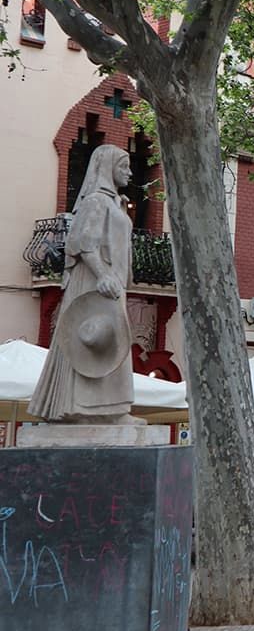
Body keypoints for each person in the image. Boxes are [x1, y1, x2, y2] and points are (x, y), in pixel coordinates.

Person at [29, 145, 138, 423]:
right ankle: (80, 409)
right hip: (93, 283)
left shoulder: (116, 203)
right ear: (107, 168)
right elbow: (83, 244)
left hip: (111, 285)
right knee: (90, 341)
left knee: (113, 345)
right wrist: (101, 274)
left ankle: (112, 410)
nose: (129, 172)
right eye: (124, 166)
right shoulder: (96, 202)